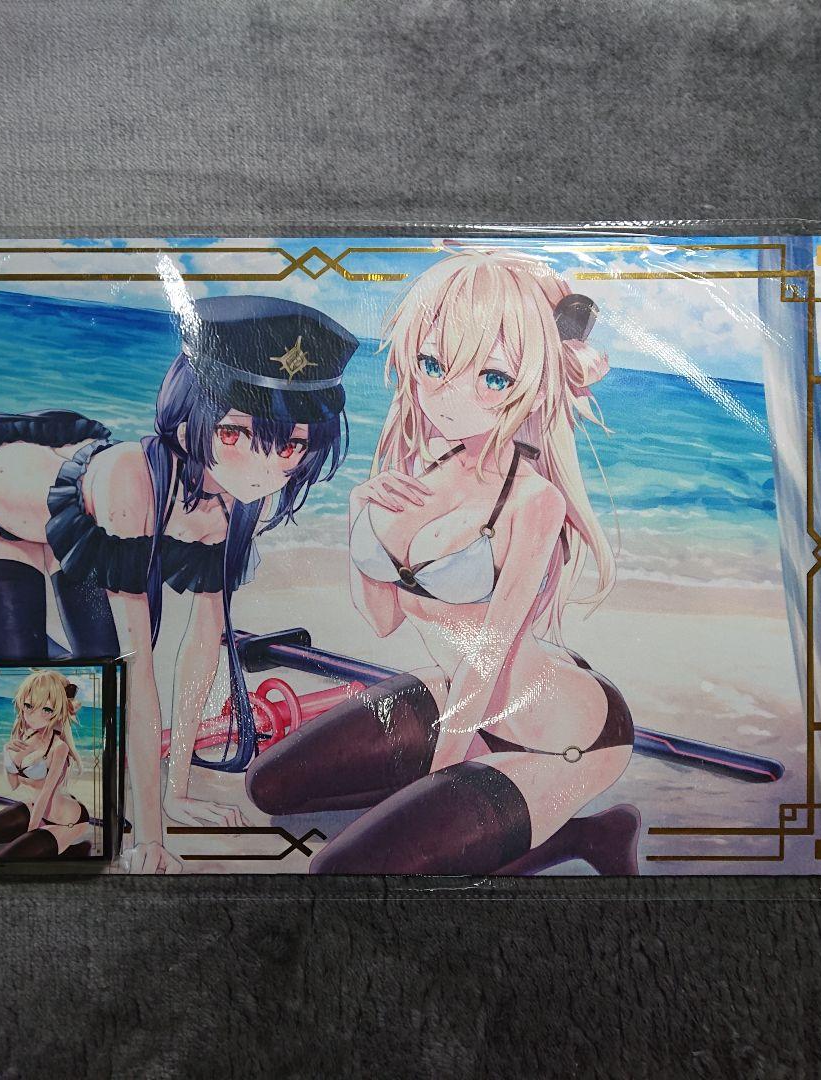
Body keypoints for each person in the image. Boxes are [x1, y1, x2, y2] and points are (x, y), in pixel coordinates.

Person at [0, 294, 357, 873]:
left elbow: (202, 648)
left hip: (81, 503)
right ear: (189, 416)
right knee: (17, 664)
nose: (263, 466)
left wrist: (177, 790)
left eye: (290, 445)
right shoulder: (132, 486)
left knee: (96, 675)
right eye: (233, 434)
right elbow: (138, 670)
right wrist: (150, 838)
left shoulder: (243, 494)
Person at [246, 251, 634, 874]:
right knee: (268, 787)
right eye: (432, 365)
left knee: (336, 872)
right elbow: (382, 621)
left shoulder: (533, 500)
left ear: (531, 380)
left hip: (564, 735)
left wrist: (443, 769)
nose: (447, 398)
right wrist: (357, 513)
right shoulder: (422, 468)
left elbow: (493, 652)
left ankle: (587, 833)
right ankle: (473, 812)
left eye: (492, 377)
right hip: (454, 693)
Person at [0, 669, 93, 858]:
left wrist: (31, 832)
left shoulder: (58, 747)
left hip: (67, 820)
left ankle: (75, 848)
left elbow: (46, 793)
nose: (33, 716)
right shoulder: (24, 737)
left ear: (58, 711)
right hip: (35, 807)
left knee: (6, 860)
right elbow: (14, 784)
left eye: (46, 709)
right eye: (29, 706)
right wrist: (7, 752)